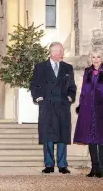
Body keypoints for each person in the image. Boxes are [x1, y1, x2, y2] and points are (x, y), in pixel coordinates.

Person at [30, 42, 77, 174]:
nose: (62, 54)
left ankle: (63, 165)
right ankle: (49, 164)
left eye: (62, 51)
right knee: (48, 136)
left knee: (62, 135)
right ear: (52, 53)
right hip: (47, 106)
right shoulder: (40, 67)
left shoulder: (68, 68)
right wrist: (39, 99)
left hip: (62, 106)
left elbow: (72, 87)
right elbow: (34, 85)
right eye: (60, 52)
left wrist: (70, 98)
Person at [73, 47, 103, 178]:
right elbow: (83, 91)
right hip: (88, 108)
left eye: (98, 57)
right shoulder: (87, 71)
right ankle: (94, 168)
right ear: (90, 58)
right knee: (91, 139)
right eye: (93, 57)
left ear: (102, 58)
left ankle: (101, 169)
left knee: (102, 139)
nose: (96, 59)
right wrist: (81, 106)